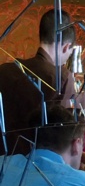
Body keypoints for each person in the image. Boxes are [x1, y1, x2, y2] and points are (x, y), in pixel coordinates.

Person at [0, 9, 78, 155]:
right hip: (36, 171)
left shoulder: (4, 71)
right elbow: (66, 139)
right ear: (66, 47)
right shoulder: (62, 79)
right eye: (70, 52)